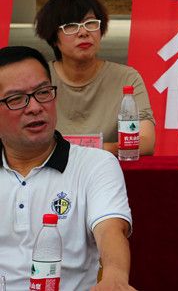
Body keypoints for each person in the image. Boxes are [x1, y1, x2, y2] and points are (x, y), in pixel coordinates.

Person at [0, 46, 135, 290]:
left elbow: (110, 230)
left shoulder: (95, 164)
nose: (34, 107)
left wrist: (115, 276)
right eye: (16, 99)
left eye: (43, 92)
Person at [34, 0, 155, 155]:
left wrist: (93, 152)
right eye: (71, 26)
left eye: (90, 23)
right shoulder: (38, 79)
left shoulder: (126, 78)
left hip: (106, 168)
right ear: (54, 38)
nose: (83, 32)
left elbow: (146, 142)